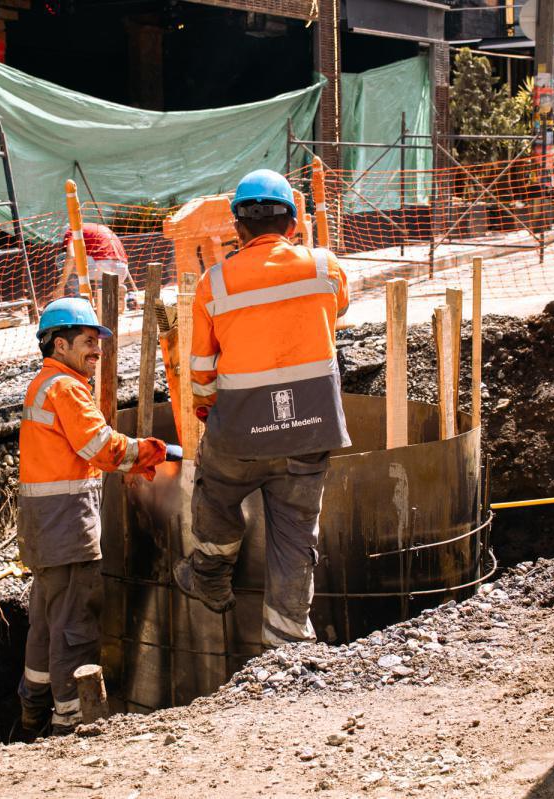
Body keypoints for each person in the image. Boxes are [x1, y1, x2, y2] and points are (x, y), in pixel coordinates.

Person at [172, 169, 351, 648]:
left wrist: (209, 412)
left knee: (215, 495)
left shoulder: (214, 284)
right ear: (292, 223)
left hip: (240, 434)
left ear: (239, 228)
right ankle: (286, 641)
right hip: (310, 431)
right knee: (296, 535)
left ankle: (210, 575)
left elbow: (201, 372)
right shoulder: (325, 266)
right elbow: (339, 309)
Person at [17, 298, 167, 736]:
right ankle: (69, 721)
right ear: (59, 344)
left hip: (43, 528)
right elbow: (100, 447)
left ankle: (32, 710)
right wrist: (148, 452)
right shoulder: (65, 388)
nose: (97, 351)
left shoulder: (44, 384)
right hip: (66, 526)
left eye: (98, 342)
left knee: (46, 624)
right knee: (74, 627)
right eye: (88, 341)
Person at [61, 222, 139, 308]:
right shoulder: (93, 227)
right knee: (101, 299)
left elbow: (71, 256)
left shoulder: (72, 231)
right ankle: (118, 293)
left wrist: (60, 287)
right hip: (122, 270)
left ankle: (81, 302)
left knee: (62, 259)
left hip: (103, 267)